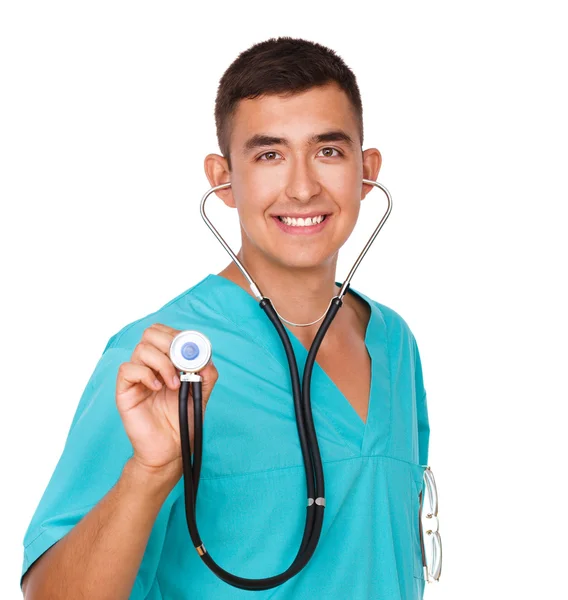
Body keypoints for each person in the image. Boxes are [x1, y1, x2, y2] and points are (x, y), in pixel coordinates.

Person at [20, 36, 431, 599]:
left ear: (367, 169)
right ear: (222, 178)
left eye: (328, 152)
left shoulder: (394, 345)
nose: (303, 186)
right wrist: (150, 473)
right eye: (269, 155)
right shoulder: (158, 364)